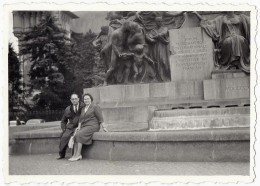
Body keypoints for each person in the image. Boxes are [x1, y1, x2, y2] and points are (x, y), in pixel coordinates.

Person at [68, 93, 108, 161]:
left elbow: (100, 117)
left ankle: (78, 155)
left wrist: (104, 127)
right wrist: (79, 127)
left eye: (88, 99)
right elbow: (81, 119)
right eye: (85, 99)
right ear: (83, 100)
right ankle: (74, 155)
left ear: (91, 99)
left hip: (93, 125)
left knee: (79, 135)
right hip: (85, 126)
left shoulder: (95, 106)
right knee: (75, 135)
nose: (86, 100)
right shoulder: (83, 108)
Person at [57, 93, 85, 160]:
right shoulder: (68, 109)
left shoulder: (83, 106)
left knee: (75, 136)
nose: (74, 100)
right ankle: (61, 154)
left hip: (80, 126)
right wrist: (64, 129)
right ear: (70, 100)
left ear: (78, 99)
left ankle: (74, 155)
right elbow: (63, 121)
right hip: (70, 127)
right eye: (73, 99)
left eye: (75, 99)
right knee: (64, 137)